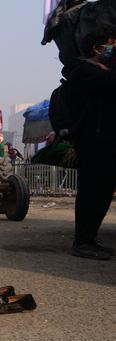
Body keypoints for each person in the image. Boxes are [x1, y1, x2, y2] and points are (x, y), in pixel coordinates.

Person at [62, 24, 116, 260]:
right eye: (113, 44)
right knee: (93, 193)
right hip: (95, 143)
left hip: (103, 141)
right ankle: (83, 242)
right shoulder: (85, 71)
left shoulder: (97, 70)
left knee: (100, 193)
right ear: (98, 47)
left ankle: (88, 239)